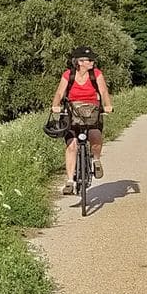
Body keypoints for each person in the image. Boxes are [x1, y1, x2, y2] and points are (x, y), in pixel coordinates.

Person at [50, 46, 114, 195]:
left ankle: (96, 160)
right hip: (72, 110)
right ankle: (70, 181)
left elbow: (103, 91)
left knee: (95, 136)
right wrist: (55, 105)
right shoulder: (68, 75)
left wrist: (108, 105)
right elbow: (60, 92)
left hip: (92, 111)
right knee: (71, 145)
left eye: (92, 59)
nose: (92, 61)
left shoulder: (96, 74)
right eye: (89, 59)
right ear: (79, 61)